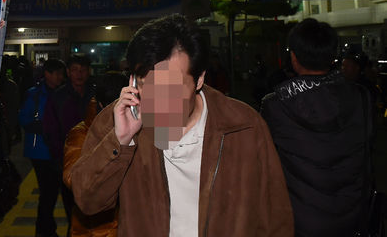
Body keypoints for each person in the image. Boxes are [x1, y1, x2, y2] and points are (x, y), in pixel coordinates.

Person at [70, 14, 293, 237]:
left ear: (199, 79)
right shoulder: (118, 120)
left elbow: (275, 217)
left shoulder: (243, 126)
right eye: (146, 84)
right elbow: (88, 202)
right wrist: (120, 141)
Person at [261, 18, 373, 237]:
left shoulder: (276, 105)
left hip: (299, 220)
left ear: (294, 57)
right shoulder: (360, 96)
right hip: (353, 215)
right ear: (332, 56)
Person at [63, 71, 127, 237]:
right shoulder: (81, 134)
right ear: (100, 104)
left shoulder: (138, 126)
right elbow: (73, 180)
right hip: (95, 229)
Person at [43, 53, 95, 223]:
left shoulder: (95, 94)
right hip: (68, 161)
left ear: (89, 71)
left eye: (83, 70)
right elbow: (50, 130)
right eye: (75, 70)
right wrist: (60, 159)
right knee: (71, 208)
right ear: (68, 72)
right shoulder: (58, 97)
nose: (79, 74)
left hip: (95, 160)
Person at [18, 59, 66, 237]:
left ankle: (45, 229)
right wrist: (48, 127)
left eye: (62, 73)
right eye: (57, 73)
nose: (60, 77)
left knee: (50, 193)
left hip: (58, 149)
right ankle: (45, 230)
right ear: (47, 74)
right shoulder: (34, 94)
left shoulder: (63, 93)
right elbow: (24, 119)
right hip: (40, 151)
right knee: (48, 192)